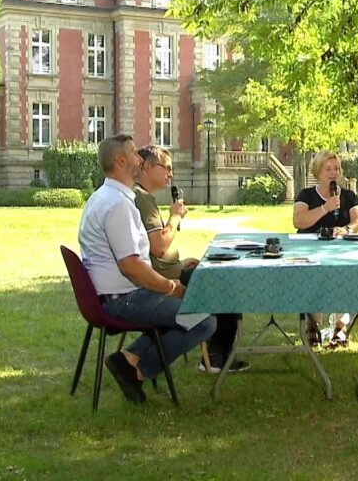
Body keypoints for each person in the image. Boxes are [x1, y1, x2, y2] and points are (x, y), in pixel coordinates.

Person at [78, 135, 216, 404]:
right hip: (124, 300)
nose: (140, 159)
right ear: (120, 161)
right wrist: (170, 287)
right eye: (134, 154)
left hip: (113, 297)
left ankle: (128, 359)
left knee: (184, 314)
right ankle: (138, 371)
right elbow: (131, 266)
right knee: (203, 319)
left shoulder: (104, 197)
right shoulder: (118, 205)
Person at [133, 144, 248, 374]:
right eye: (166, 168)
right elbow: (158, 247)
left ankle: (218, 354)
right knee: (223, 283)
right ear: (146, 167)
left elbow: (155, 251)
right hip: (159, 280)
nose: (171, 174)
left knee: (215, 275)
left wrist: (180, 263)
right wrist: (174, 217)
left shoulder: (141, 196)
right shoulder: (142, 198)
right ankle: (215, 357)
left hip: (163, 272)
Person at [292, 151, 358, 347]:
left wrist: (346, 229)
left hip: (340, 253)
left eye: (336, 169)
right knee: (313, 278)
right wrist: (326, 208)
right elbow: (298, 220)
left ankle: (340, 327)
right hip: (310, 254)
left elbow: (357, 221)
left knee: (345, 276)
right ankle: (312, 326)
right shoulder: (306, 195)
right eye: (328, 169)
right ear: (317, 171)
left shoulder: (348, 196)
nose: (333, 173)